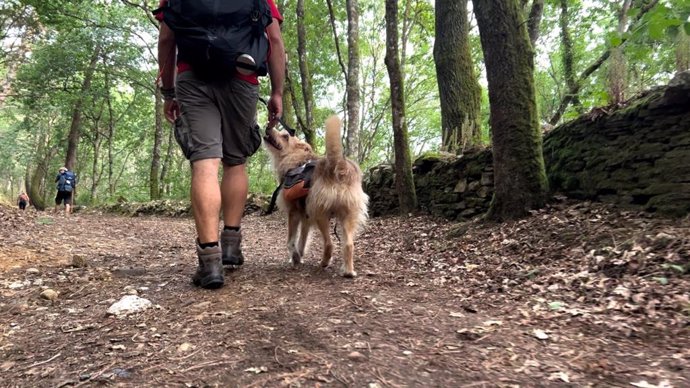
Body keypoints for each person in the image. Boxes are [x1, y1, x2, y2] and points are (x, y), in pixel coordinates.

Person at [156, 0, 285, 289]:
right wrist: (277, 92)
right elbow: (274, 40)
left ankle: (210, 262)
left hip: (192, 77)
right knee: (235, 161)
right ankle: (230, 247)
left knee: (204, 162)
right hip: (242, 76)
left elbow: (167, 38)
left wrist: (168, 91)